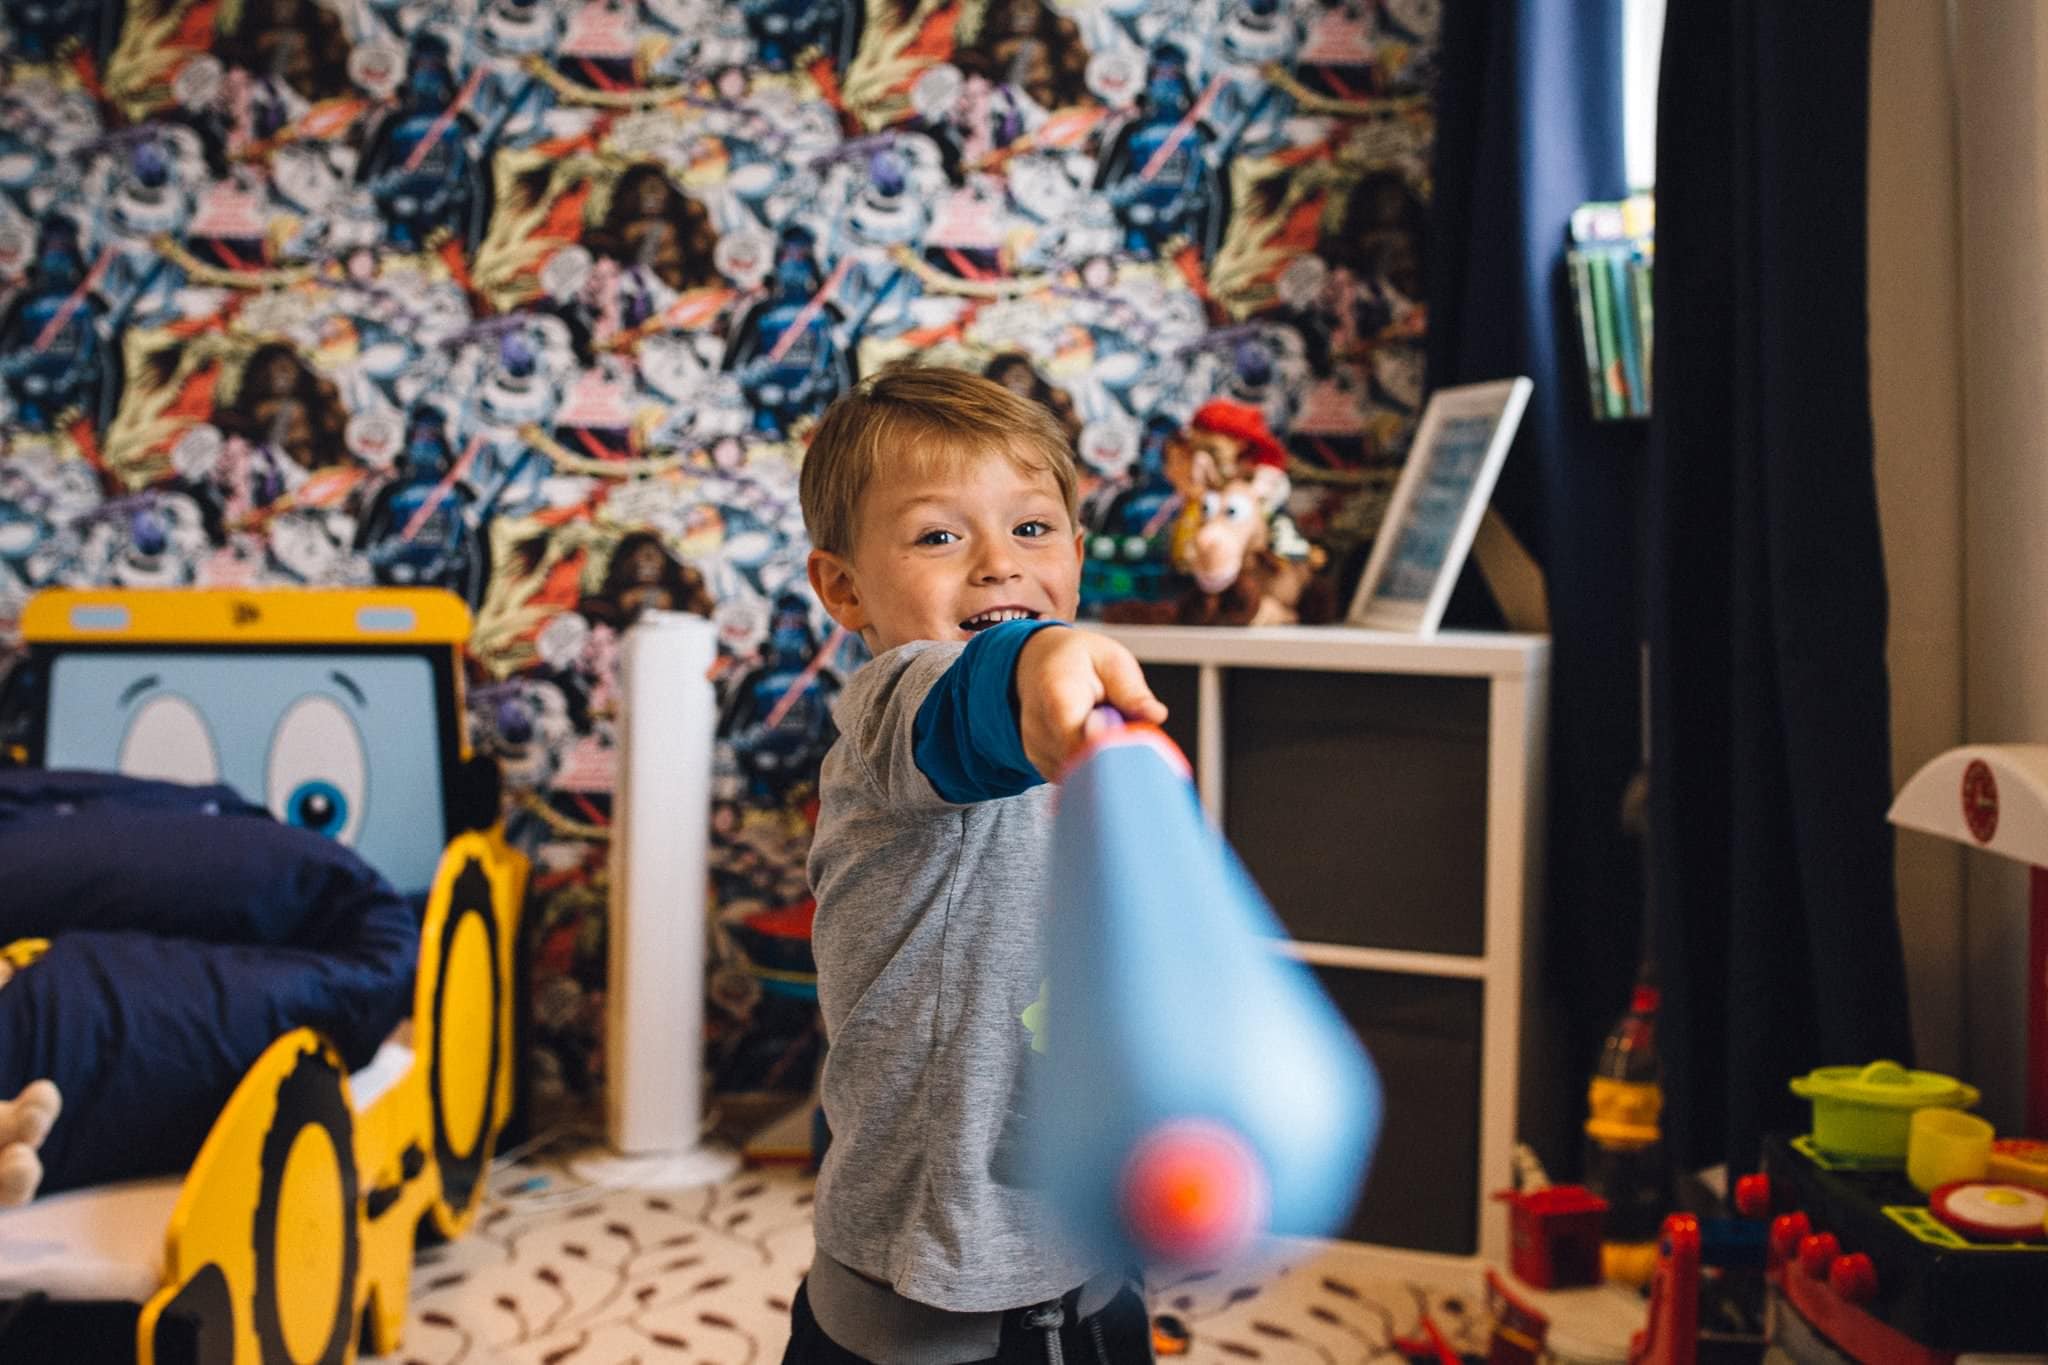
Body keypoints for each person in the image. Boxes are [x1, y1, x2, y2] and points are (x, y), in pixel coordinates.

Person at [784, 365, 1166, 1364]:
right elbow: (970, 700)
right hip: (925, 1313)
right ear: (844, 587)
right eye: (939, 535)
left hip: (1090, 1267)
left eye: (1031, 529)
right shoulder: (889, 718)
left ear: (1077, 554)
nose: (998, 564)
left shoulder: (1076, 742)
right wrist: (1038, 664)